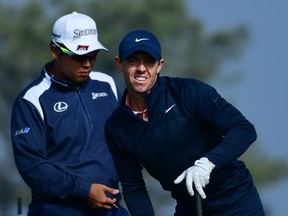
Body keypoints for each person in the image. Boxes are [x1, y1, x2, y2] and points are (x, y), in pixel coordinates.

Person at [104, 29, 265, 216]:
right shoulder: (116, 127)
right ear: (119, 63)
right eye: (133, 60)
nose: (141, 68)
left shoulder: (188, 92)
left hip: (235, 200)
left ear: (159, 65)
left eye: (149, 61)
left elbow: (243, 129)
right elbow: (134, 187)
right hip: (188, 207)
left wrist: (208, 163)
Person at [10, 12, 129, 216]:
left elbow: (130, 137)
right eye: (79, 56)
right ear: (55, 51)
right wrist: (84, 191)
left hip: (110, 207)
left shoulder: (107, 84)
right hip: (57, 210)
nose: (87, 64)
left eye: (93, 55)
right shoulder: (31, 100)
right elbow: (34, 167)